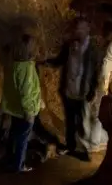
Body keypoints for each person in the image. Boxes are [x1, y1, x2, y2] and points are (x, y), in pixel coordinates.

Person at [40, 17, 101, 161]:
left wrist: (93, 89)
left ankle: (84, 150)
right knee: (70, 120)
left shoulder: (93, 50)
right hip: (68, 90)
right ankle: (71, 146)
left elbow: (96, 72)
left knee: (81, 121)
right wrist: (46, 62)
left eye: (80, 29)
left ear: (87, 30)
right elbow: (60, 60)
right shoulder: (69, 46)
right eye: (76, 29)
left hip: (82, 92)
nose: (77, 32)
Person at [1, 34, 41, 173]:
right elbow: (26, 91)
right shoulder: (26, 68)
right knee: (22, 139)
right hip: (25, 110)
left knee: (14, 135)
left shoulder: (13, 65)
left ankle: (9, 160)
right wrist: (29, 111)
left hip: (14, 108)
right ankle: (19, 165)